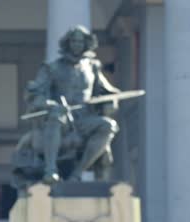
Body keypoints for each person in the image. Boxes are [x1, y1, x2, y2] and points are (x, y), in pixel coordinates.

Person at [23, 25, 121, 184]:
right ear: (67, 43)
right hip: (61, 118)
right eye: (74, 41)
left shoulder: (92, 68)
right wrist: (50, 105)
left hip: (84, 120)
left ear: (86, 44)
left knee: (108, 125)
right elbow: (35, 95)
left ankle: (77, 172)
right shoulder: (52, 68)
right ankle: (51, 170)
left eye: (80, 42)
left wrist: (111, 101)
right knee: (56, 118)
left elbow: (106, 92)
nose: (77, 45)